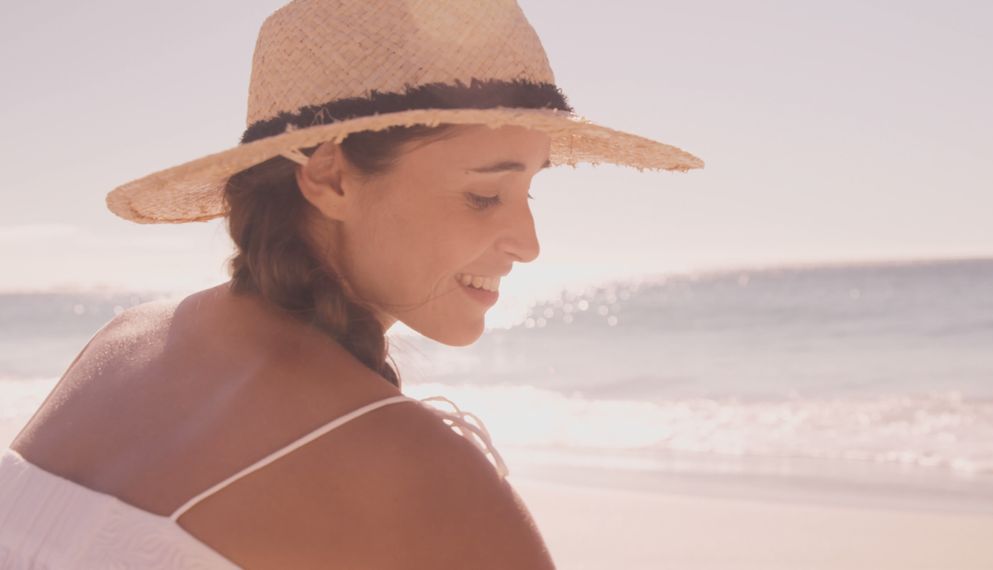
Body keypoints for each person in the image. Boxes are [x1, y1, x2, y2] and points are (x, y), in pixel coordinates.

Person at [0, 0, 702, 568]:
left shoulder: (124, 346)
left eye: (531, 192)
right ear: (330, 176)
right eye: (485, 197)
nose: (529, 243)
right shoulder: (413, 474)